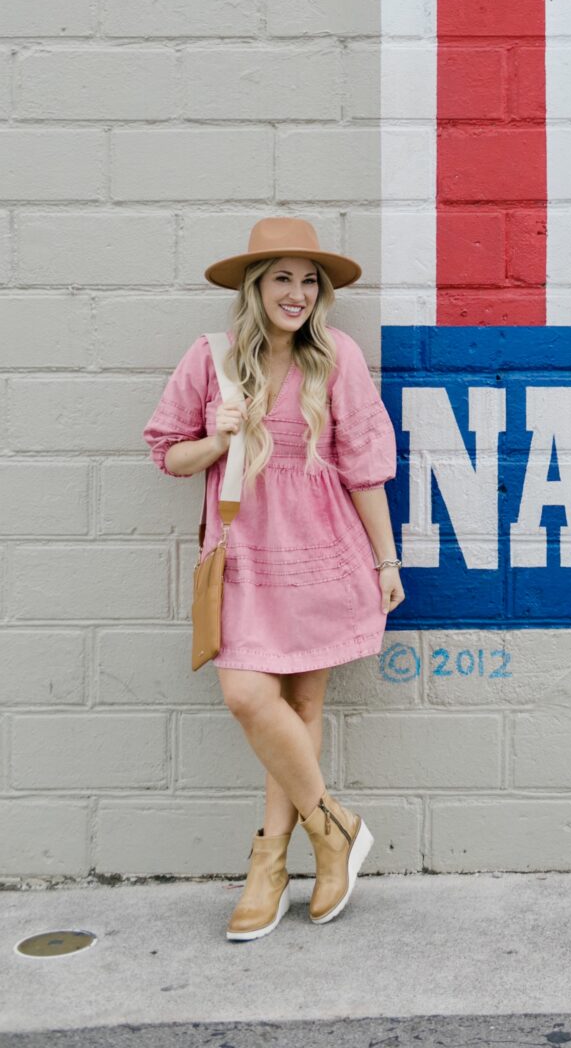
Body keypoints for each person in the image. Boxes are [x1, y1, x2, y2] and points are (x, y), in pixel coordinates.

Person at [142, 216, 403, 941]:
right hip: (246, 556)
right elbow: (167, 455)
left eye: (308, 279)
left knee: (303, 702)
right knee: (248, 693)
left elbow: (365, 468)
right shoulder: (210, 360)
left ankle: (271, 866)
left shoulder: (336, 356)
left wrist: (386, 560)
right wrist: (219, 437)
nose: (296, 292)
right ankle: (333, 829)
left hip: (324, 551)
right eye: (281, 277)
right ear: (255, 287)